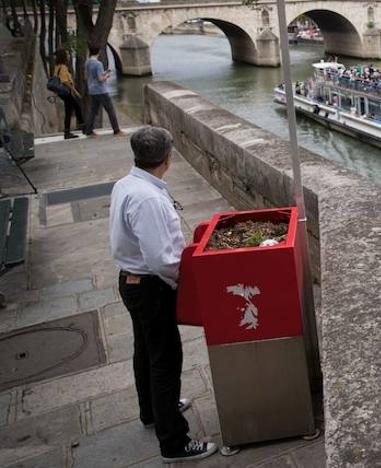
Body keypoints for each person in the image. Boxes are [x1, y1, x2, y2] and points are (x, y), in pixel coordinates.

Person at [110, 127, 217, 463]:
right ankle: (174, 442)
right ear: (168, 158)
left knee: (145, 352)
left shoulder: (126, 184)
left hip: (131, 281)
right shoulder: (149, 198)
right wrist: (183, 283)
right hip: (151, 286)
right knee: (166, 362)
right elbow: (161, 259)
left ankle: (152, 411)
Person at [82, 43, 122, 137]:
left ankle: (89, 131)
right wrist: (107, 75)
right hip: (101, 90)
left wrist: (104, 73)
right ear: (99, 51)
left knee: (93, 111)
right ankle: (116, 130)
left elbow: (90, 76)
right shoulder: (98, 63)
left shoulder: (87, 62)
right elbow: (100, 79)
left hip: (92, 89)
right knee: (110, 110)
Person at [52, 49, 85, 139]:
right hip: (66, 92)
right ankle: (79, 128)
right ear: (64, 57)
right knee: (72, 110)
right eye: (67, 55)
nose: (69, 56)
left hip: (63, 92)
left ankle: (80, 126)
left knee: (74, 108)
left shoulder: (57, 67)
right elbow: (65, 81)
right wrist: (75, 91)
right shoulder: (63, 67)